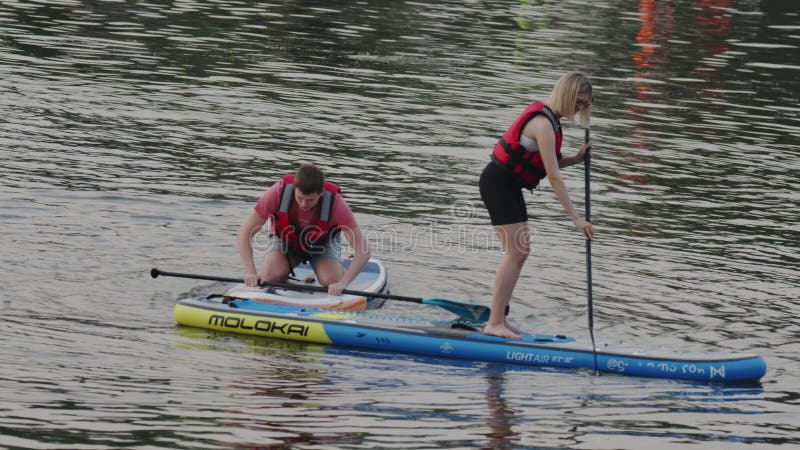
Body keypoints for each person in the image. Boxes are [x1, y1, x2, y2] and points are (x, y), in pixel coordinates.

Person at [479, 72, 596, 338]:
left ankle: (500, 319)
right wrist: (576, 219)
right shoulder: (543, 123)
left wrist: (576, 159)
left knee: (521, 252)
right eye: (578, 102)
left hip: (509, 185)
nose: (580, 109)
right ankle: (494, 322)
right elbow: (553, 176)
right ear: (566, 95)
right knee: (516, 252)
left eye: (584, 105)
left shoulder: (552, 122)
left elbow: (547, 162)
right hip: (497, 184)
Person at [237, 163, 370, 296]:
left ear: (321, 193)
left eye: (310, 200)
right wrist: (251, 272)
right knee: (271, 275)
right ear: (295, 188)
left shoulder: (337, 205)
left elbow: (364, 250)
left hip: (321, 244)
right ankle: (281, 277)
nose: (304, 204)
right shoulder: (276, 193)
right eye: (300, 198)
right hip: (286, 240)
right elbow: (245, 234)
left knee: (331, 280)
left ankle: (339, 271)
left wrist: (343, 283)